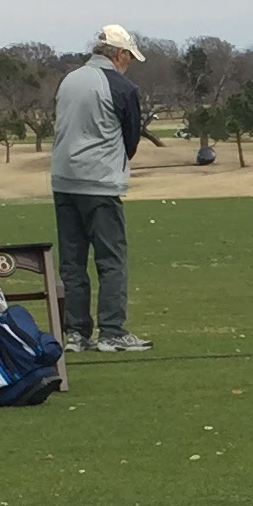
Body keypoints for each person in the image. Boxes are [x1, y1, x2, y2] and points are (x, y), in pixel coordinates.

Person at [50, 23, 152, 351]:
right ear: (119, 54)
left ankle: (75, 334)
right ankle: (112, 331)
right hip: (99, 184)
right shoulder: (122, 87)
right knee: (111, 260)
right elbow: (130, 139)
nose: (129, 62)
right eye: (129, 56)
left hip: (63, 181)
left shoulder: (69, 79)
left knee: (72, 261)